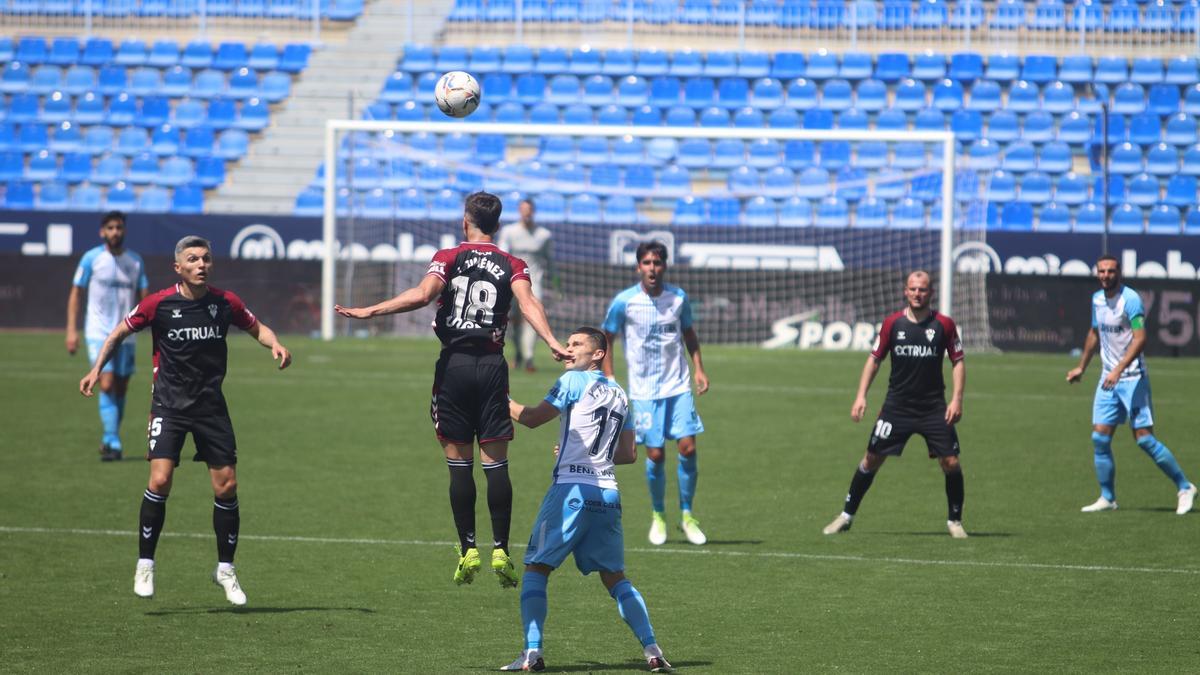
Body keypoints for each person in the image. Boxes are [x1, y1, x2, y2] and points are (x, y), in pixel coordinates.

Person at [335, 191, 568, 587]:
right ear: (497, 225)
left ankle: (467, 549)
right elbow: (530, 305)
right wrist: (550, 341)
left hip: (454, 368)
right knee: (496, 463)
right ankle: (501, 551)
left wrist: (370, 310)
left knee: (458, 464)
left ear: (466, 221)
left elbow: (423, 295)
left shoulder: (448, 257)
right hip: (493, 368)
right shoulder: (513, 263)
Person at [79, 236, 292, 605]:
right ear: (178, 267)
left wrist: (274, 343)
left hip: (211, 407)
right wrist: (97, 368)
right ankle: (145, 563)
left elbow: (256, 326)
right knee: (160, 480)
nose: (201, 264)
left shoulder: (225, 303)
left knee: (226, 487)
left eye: (206, 258)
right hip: (169, 406)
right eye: (192, 259)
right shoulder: (158, 304)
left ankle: (225, 570)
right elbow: (119, 331)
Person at [503, 326, 672, 673]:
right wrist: (571, 447)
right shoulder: (622, 395)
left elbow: (533, 419)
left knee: (537, 568)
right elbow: (627, 454)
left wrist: (498, 401)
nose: (568, 350)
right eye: (567, 344)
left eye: (576, 344)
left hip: (571, 491)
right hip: (608, 494)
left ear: (598, 354)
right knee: (615, 577)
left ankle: (532, 654)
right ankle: (652, 650)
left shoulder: (573, 382)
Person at [822, 271, 969, 539]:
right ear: (905, 291)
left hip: (933, 407)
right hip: (896, 408)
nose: (917, 294)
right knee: (871, 458)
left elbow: (957, 361)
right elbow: (874, 359)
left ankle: (955, 521)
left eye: (922, 290)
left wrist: (957, 399)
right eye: (913, 289)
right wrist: (861, 395)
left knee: (950, 462)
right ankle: (846, 516)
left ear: (930, 293)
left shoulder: (944, 325)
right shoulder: (892, 324)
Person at [1066, 255, 1196, 515]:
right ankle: (1108, 497)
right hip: (1108, 379)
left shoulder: (1131, 300)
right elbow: (1095, 333)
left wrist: (1118, 369)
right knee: (1099, 438)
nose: (1105, 275)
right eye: (1101, 271)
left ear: (1119, 273)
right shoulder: (1097, 300)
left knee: (1145, 440)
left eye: (1110, 271)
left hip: (1133, 378)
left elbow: (1140, 339)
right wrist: (1082, 366)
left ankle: (1184, 486)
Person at [602, 241, 710, 547]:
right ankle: (659, 515)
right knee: (656, 454)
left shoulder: (678, 298)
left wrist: (699, 368)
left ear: (665, 266)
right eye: (647, 263)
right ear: (638, 267)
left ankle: (687, 515)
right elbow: (606, 337)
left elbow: (689, 333)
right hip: (644, 390)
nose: (652, 268)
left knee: (688, 448)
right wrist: (609, 377)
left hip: (677, 385)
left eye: (657, 263)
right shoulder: (625, 302)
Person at [67, 211, 149, 461]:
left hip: (127, 333)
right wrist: (72, 329)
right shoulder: (91, 259)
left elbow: (146, 299)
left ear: (124, 231)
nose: (115, 232)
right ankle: (111, 440)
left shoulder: (135, 261)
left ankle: (111, 438)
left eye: (119, 227)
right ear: (102, 231)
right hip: (98, 332)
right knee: (106, 382)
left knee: (122, 386)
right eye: (111, 228)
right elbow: (76, 294)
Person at [497, 198, 554, 373]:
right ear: (519, 211)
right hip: (512, 281)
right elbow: (501, 256)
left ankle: (529, 357)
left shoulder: (544, 235)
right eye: (523, 209)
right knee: (512, 321)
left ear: (533, 211)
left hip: (534, 282)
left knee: (532, 318)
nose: (526, 213)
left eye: (529, 209)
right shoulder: (509, 231)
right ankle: (519, 353)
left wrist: (557, 283)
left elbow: (550, 261)